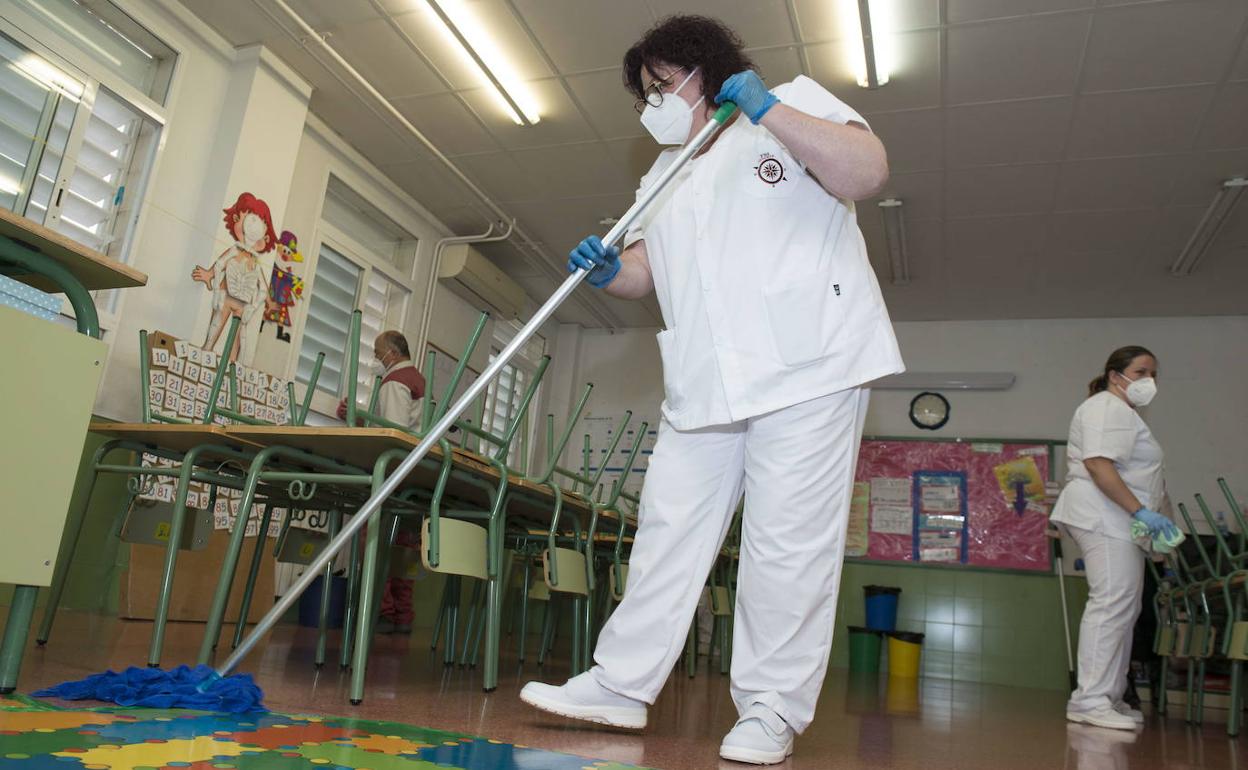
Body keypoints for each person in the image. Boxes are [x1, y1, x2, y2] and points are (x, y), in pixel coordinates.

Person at [518, 15, 902, 766]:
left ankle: (769, 710)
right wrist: (608, 270)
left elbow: (867, 172)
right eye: (646, 95)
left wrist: (770, 111)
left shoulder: (792, 102)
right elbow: (643, 274)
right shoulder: (662, 174)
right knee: (665, 532)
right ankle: (620, 686)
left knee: (785, 546)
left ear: (706, 72)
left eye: (662, 85)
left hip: (809, 367)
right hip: (703, 382)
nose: (653, 103)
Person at [1050, 345, 1179, 731]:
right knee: (1111, 605)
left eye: (1153, 374)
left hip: (1115, 519)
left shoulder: (1122, 412)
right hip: (1104, 516)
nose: (1148, 381)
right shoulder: (1107, 407)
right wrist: (1139, 511)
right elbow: (1098, 465)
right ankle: (1090, 699)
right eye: (1140, 372)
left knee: (1124, 607)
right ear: (1114, 374)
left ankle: (1107, 695)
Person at [337, 330, 426, 633]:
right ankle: (402, 614)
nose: (376, 357)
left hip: (392, 471)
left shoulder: (395, 382)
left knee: (372, 538)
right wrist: (364, 420)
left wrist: (358, 421)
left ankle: (383, 610)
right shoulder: (417, 379)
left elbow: (392, 433)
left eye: (378, 351)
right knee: (405, 545)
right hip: (413, 473)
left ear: (392, 352)